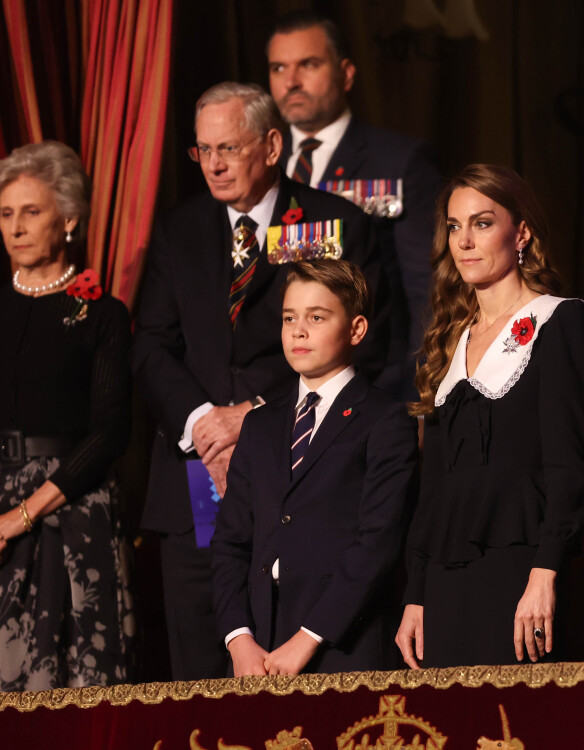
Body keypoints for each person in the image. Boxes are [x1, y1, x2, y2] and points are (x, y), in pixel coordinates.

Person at [133, 81, 388, 680]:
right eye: (202, 151)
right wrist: (203, 423)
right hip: (194, 474)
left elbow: (366, 344)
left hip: (300, 473)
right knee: (199, 672)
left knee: (292, 680)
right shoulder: (178, 229)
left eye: (228, 148)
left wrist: (251, 413)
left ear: (272, 145)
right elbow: (151, 346)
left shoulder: (336, 223)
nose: (214, 165)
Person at [394, 164, 584, 669]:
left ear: (521, 232)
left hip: (521, 568)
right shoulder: (449, 338)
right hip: (445, 575)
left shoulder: (560, 319)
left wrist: (545, 571)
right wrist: (415, 595)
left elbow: (567, 465)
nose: (464, 240)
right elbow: (433, 487)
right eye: (454, 225)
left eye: (482, 223)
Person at [211, 259, 418, 675]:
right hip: (260, 648)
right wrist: (239, 638)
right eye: (289, 318)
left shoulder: (384, 420)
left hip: (342, 647)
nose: (298, 330)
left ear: (357, 329)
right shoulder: (260, 424)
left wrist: (308, 637)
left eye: (317, 317)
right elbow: (231, 541)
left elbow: (376, 544)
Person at [0, 141, 134, 689]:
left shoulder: (101, 314)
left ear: (69, 218)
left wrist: (22, 515)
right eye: (6, 213)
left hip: (73, 508)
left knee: (78, 693)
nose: (16, 227)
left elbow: (109, 433)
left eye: (31, 212)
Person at [268, 10, 441, 401]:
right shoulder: (262, 166)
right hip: (276, 396)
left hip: (375, 389)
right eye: (279, 68)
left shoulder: (399, 161)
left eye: (308, 64)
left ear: (346, 73)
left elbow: (428, 290)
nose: (291, 81)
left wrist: (418, 394)